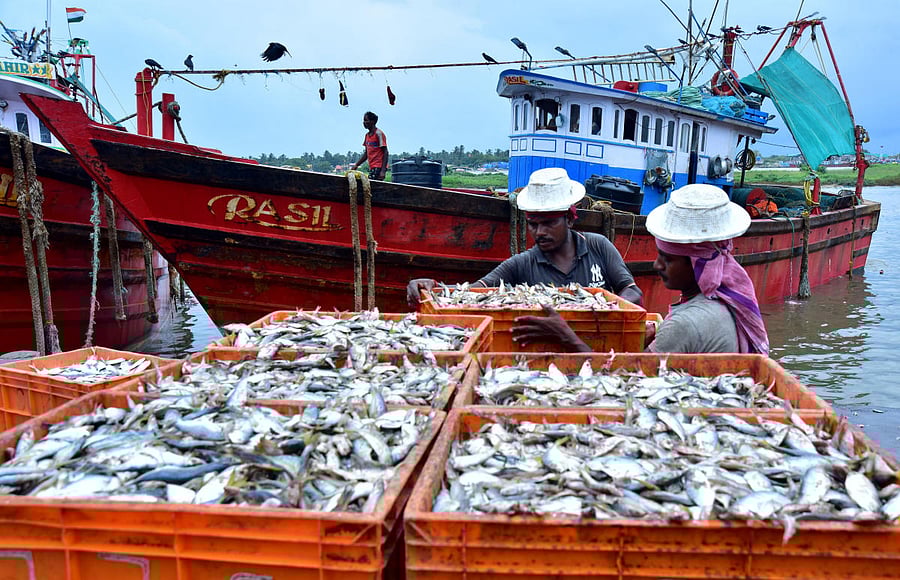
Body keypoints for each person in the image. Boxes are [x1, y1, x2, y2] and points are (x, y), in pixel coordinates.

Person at [407, 167, 643, 350]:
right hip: (545, 354)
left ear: (570, 220)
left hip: (598, 345)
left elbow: (633, 293)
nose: (540, 232)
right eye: (533, 224)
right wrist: (434, 287)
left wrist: (600, 311)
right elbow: (471, 292)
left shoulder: (597, 245)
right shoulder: (521, 264)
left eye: (549, 223)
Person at [643, 183, 769, 354]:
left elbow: (631, 374)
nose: (657, 265)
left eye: (667, 259)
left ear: (698, 263)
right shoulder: (730, 299)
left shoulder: (682, 324)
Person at [350, 111, 388, 180]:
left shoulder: (379, 134)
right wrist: (356, 165)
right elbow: (366, 154)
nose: (364, 123)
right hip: (372, 167)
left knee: (370, 186)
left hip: (378, 167)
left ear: (372, 122)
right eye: (363, 121)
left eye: (366, 120)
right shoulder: (367, 136)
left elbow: (385, 152)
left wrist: (383, 171)